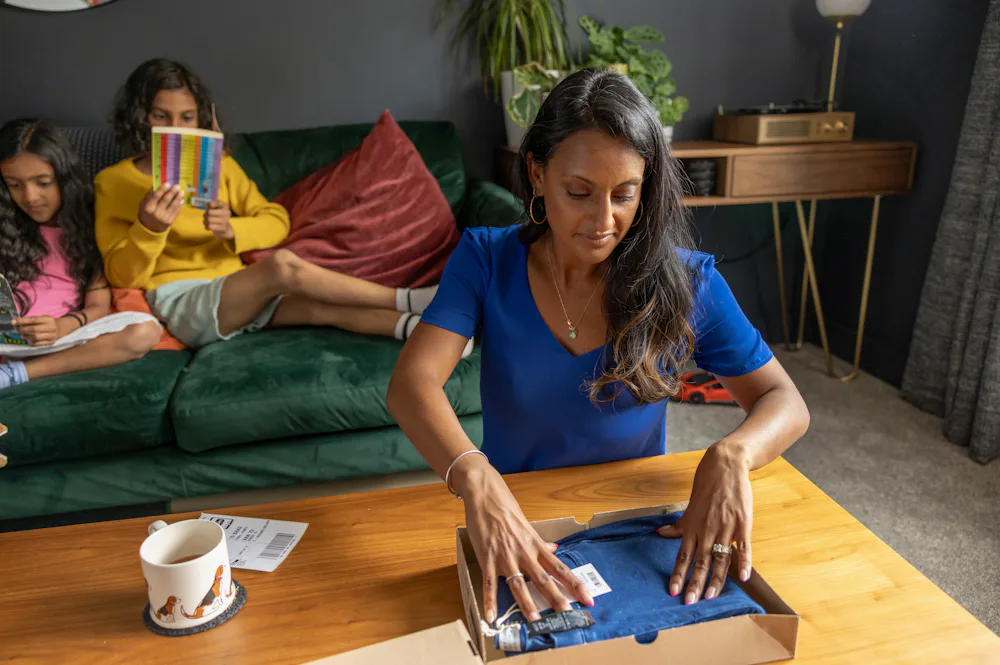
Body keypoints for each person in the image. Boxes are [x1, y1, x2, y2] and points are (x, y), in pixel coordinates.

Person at [387, 69, 810, 624]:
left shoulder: (688, 281)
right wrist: (474, 475)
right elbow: (411, 385)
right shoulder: (485, 259)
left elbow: (786, 400)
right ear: (538, 174)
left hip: (637, 527)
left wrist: (732, 454)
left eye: (624, 195)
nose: (603, 220)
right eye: (579, 193)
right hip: (515, 516)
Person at [95, 59, 448, 350]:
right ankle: (407, 299)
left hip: (238, 287)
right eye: (161, 117)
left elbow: (277, 220)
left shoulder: (222, 169)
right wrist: (149, 229)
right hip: (182, 300)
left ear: (201, 119)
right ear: (139, 118)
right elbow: (120, 276)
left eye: (187, 117)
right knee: (283, 267)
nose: (177, 128)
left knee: (323, 309)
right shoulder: (113, 182)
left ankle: (427, 332)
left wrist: (234, 229)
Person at [0, 119, 162, 391]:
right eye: (14, 185)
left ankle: (15, 374)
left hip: (64, 340)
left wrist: (63, 327)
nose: (30, 197)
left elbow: (98, 305)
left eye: (43, 183)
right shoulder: (6, 224)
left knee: (144, 330)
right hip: (7, 339)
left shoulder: (91, 223)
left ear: (64, 178)